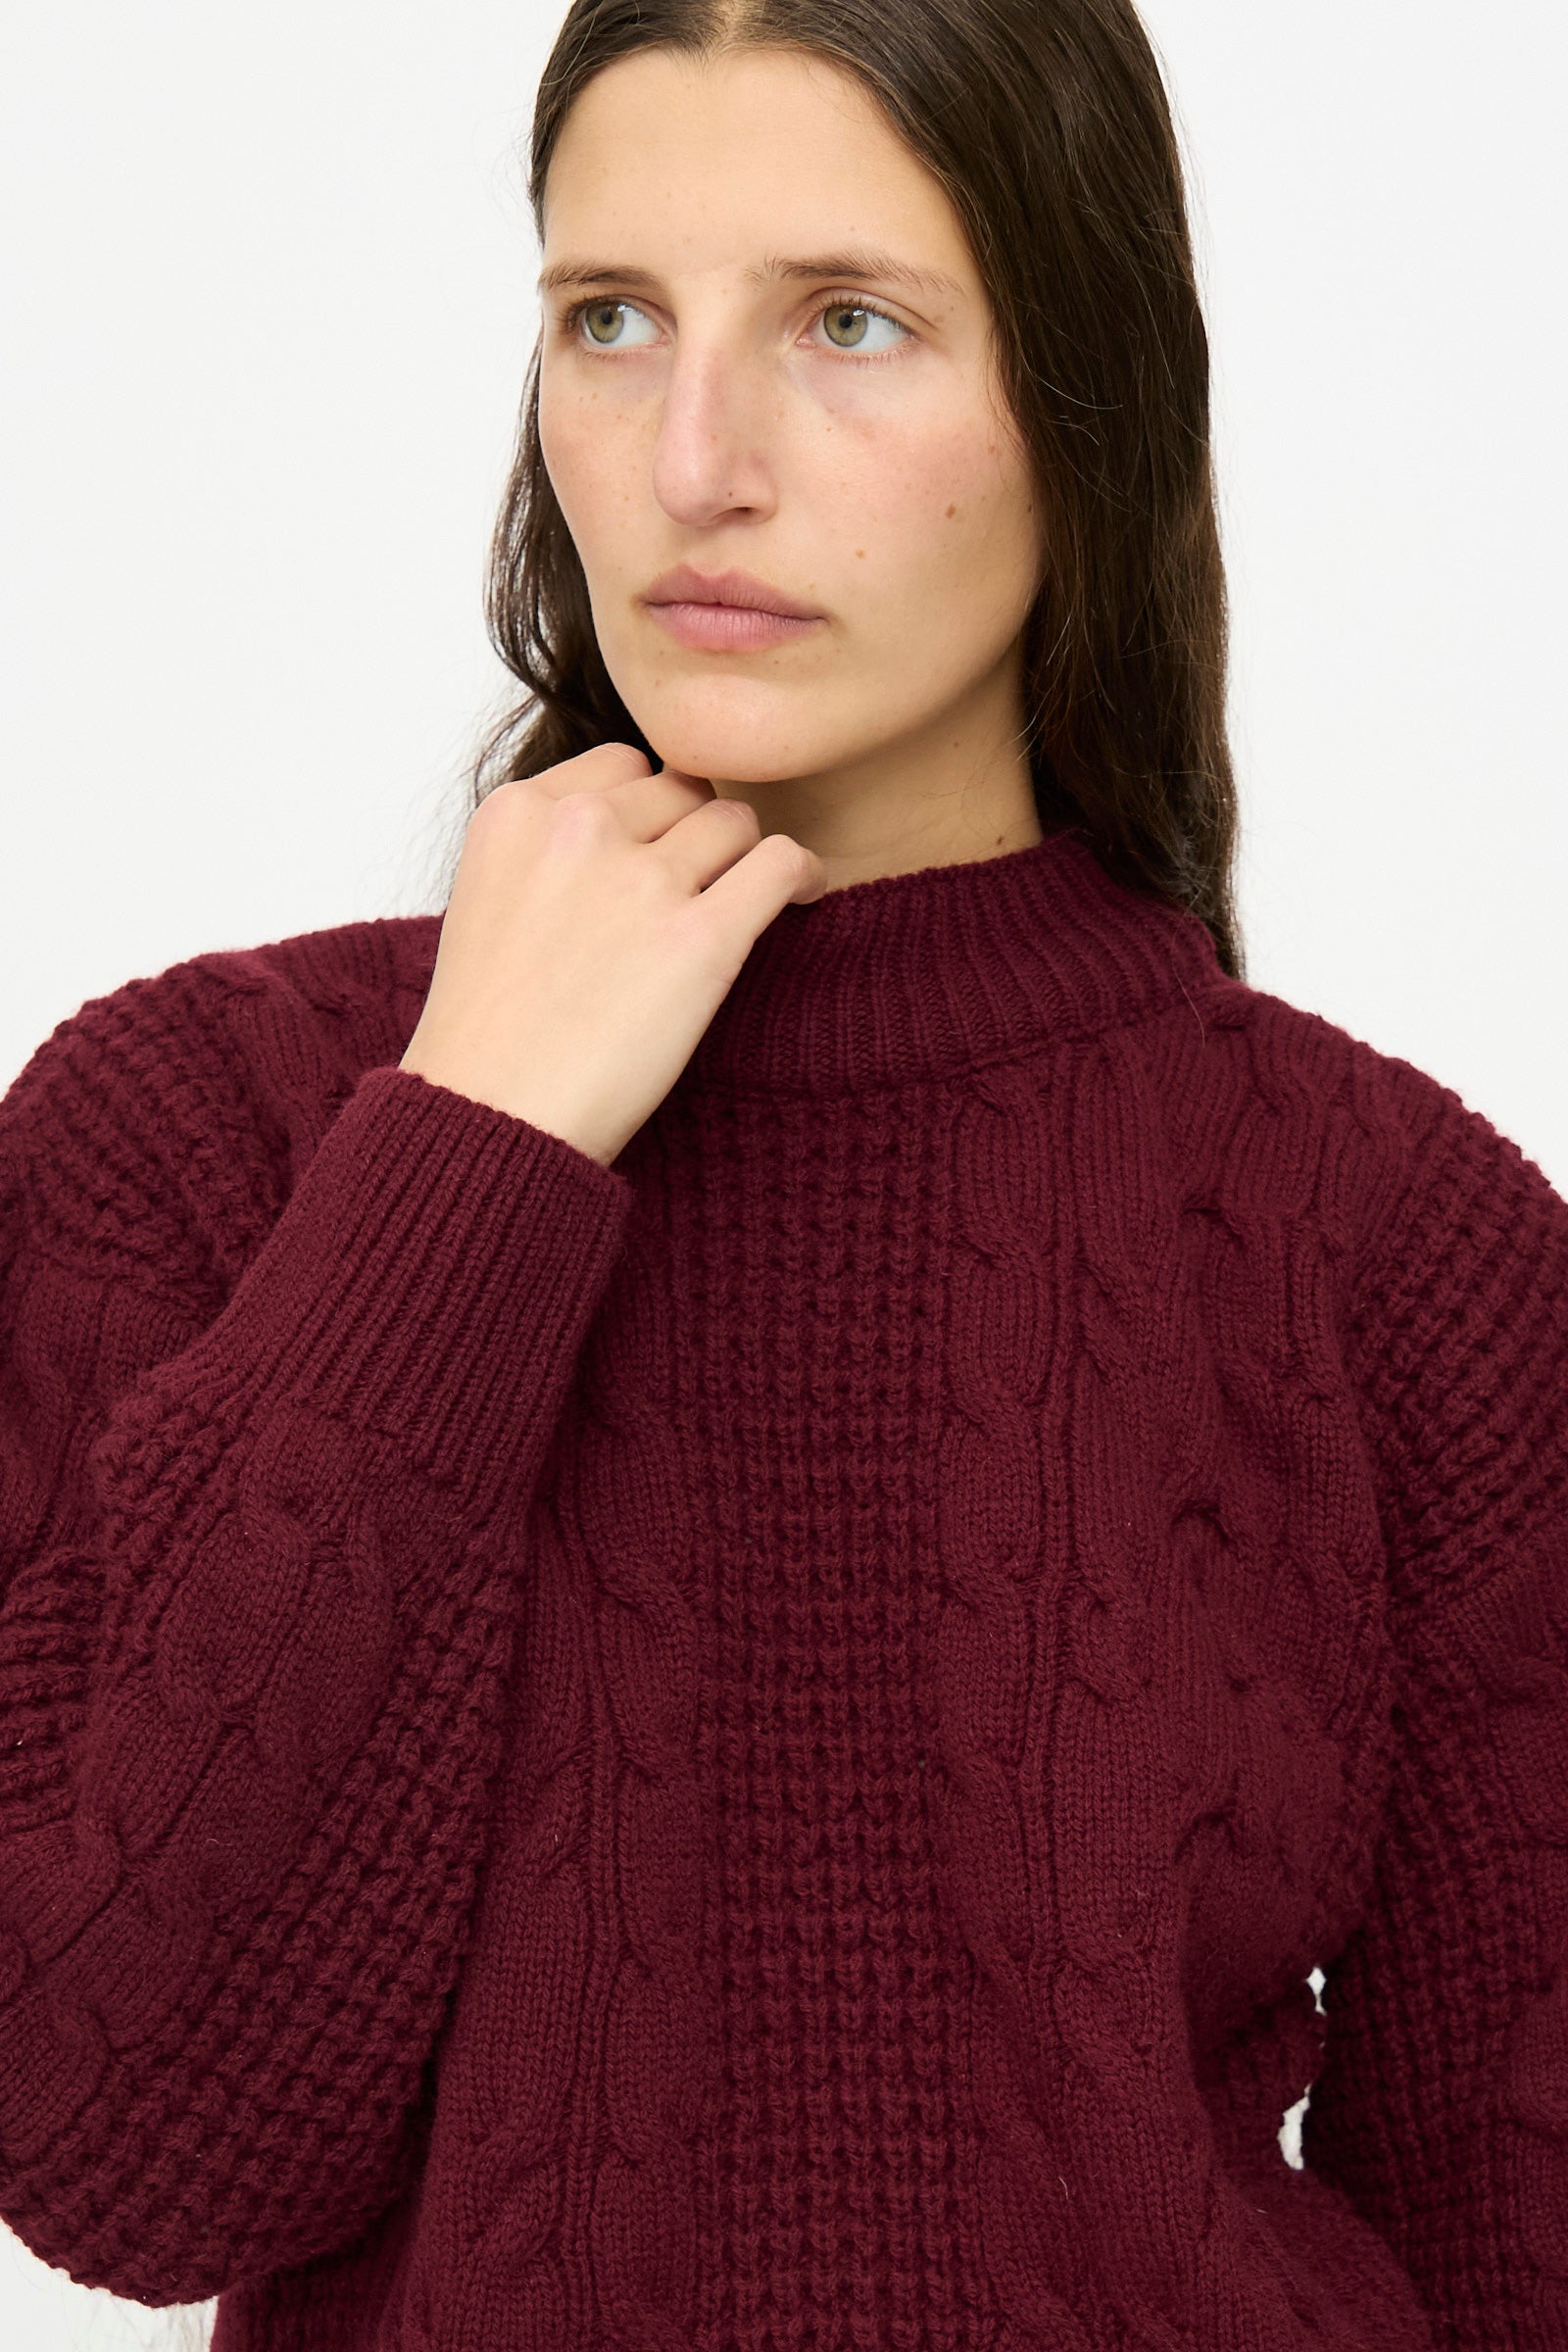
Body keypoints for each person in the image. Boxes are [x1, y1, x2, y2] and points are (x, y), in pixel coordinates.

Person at [2, 1, 1564, 2347]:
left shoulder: (1396, 1244)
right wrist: (470, 1156)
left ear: (1087, 395)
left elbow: (1511, 2225)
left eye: (849, 323)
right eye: (608, 321)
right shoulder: (201, 1134)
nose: (693, 461)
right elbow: (118, 2148)